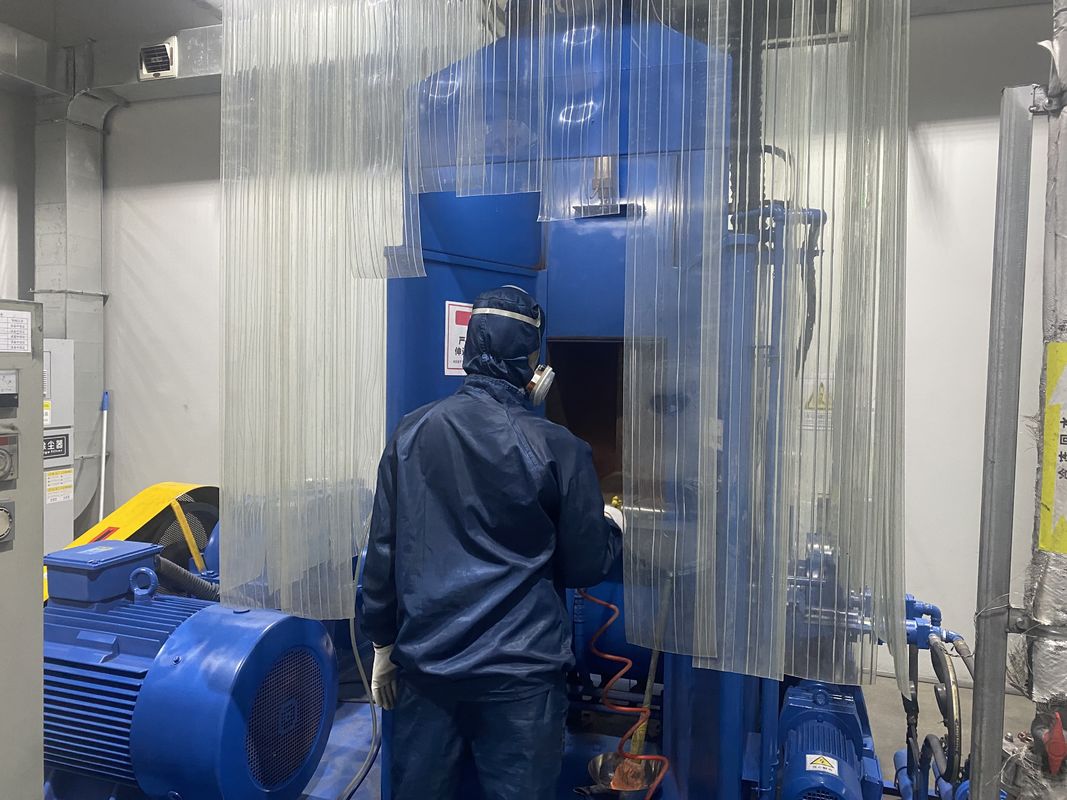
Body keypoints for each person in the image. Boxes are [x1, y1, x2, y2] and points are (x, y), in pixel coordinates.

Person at [361, 285, 624, 800]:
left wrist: (382, 643)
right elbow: (585, 565)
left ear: (470, 348)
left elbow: (384, 549)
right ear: (532, 365)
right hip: (521, 679)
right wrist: (611, 524)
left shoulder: (411, 432)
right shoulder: (559, 448)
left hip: (428, 670)